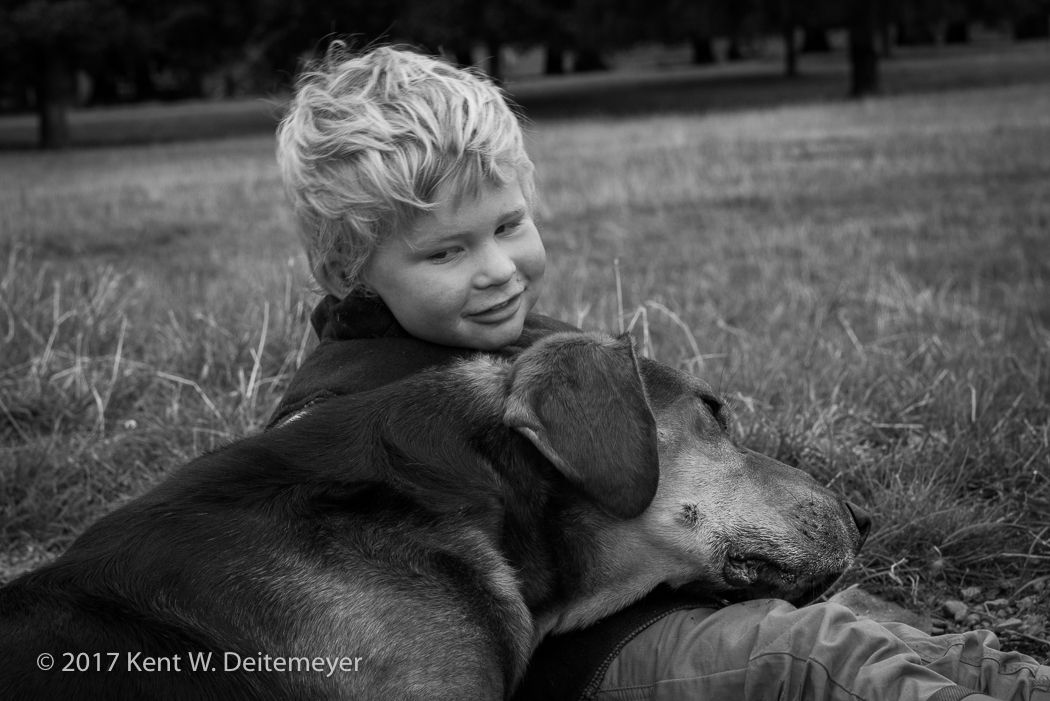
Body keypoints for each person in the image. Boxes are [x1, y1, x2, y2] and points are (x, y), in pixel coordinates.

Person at [272, 43, 1050, 701]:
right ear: (353, 270)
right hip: (595, 662)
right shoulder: (340, 414)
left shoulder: (534, 343)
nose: (499, 269)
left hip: (669, 608)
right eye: (447, 251)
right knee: (818, 657)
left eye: (509, 225)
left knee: (904, 639)